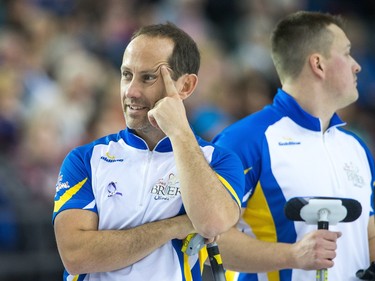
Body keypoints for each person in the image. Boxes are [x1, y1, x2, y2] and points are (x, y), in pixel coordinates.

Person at [52, 22, 244, 281]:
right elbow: (76, 256)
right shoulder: (85, 159)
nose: (131, 91)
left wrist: (180, 133)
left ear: (185, 86)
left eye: (148, 77)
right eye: (126, 75)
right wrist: (176, 225)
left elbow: (212, 223)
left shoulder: (218, 161)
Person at [213, 11, 375, 281]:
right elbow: (209, 239)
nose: (357, 65)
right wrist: (293, 256)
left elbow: (367, 231)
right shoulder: (246, 140)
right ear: (318, 64)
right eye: (347, 53)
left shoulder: (356, 145)